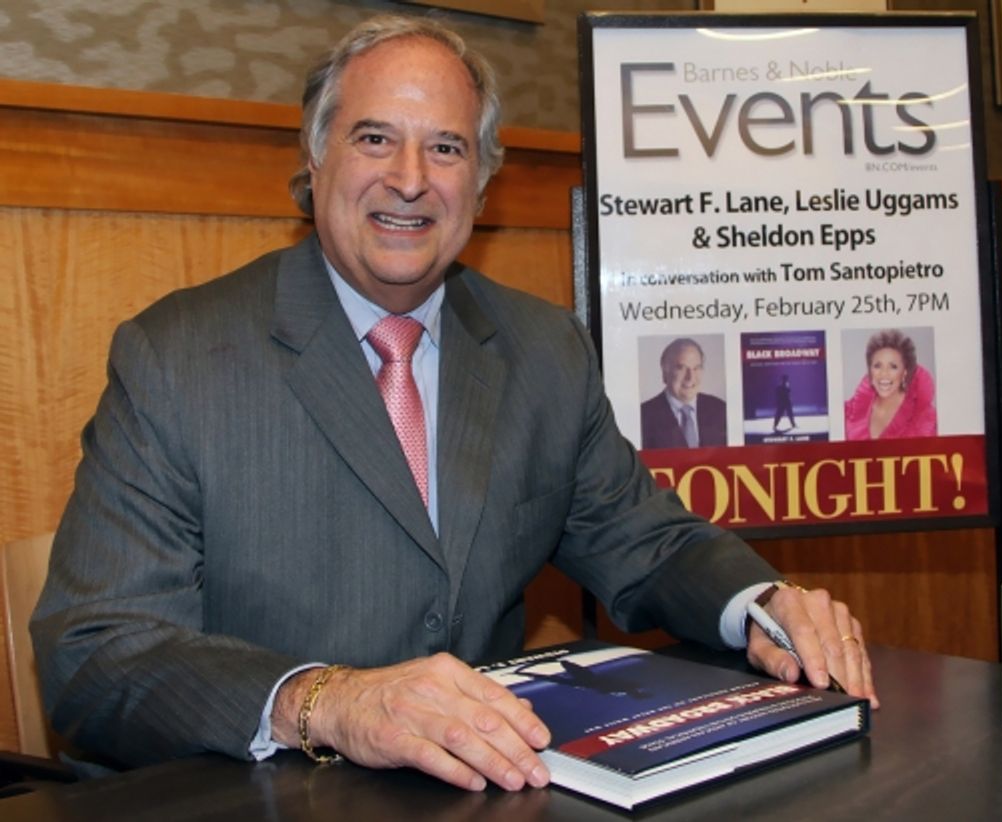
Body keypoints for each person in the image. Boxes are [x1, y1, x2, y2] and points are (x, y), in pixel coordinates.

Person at [32, 14, 876, 794]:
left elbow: (645, 545)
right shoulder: (179, 356)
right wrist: (328, 702)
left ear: (481, 183)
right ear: (316, 155)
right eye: (375, 139)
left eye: (445, 148)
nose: (409, 180)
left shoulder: (544, 349)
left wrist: (759, 603)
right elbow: (95, 655)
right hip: (251, 795)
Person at [844, 329, 937, 440]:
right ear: (870, 370)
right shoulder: (851, 411)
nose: (884, 374)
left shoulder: (924, 419)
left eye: (893, 366)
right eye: (877, 366)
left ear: (904, 372)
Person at [640, 337, 727, 449]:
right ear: (665, 371)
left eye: (696, 368)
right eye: (681, 368)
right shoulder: (644, 416)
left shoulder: (720, 410)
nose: (690, 377)